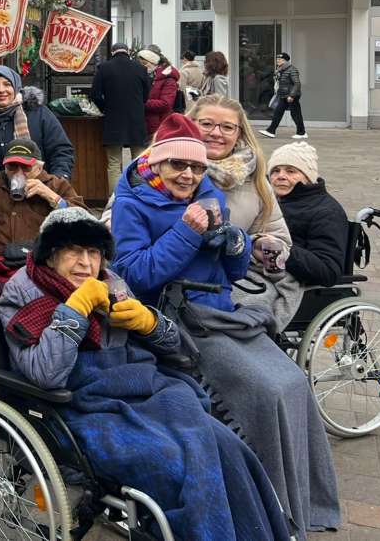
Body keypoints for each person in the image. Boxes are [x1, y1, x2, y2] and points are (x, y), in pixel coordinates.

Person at [0, 209, 292, 541]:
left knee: (232, 450)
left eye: (93, 253)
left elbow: (177, 349)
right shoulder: (21, 293)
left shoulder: (113, 283)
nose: (85, 263)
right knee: (178, 466)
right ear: (51, 257)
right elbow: (45, 374)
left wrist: (149, 323)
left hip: (148, 393)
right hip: (82, 407)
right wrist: (75, 309)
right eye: (74, 251)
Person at [110, 113, 340, 534]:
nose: (189, 174)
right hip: (176, 321)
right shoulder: (131, 201)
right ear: (157, 162)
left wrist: (237, 244)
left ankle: (307, 502)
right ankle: (270, 509)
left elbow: (232, 272)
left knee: (293, 383)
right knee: (267, 392)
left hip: (221, 313)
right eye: (178, 165)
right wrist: (185, 231)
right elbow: (136, 275)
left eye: (197, 167)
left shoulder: (209, 192)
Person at [187, 95, 301, 331]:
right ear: (191, 123)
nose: (216, 133)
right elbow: (114, 223)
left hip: (223, 284)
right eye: (206, 124)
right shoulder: (162, 165)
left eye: (227, 127)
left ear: (238, 133)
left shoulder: (255, 181)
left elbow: (279, 238)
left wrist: (256, 245)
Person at [0, 139, 87, 294]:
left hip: (43, 266)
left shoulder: (57, 186)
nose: (18, 173)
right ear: (4, 166)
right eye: (12, 166)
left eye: (25, 167)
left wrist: (52, 197)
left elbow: (86, 221)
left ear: (39, 167)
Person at [0, 64, 73, 182]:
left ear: (15, 86)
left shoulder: (38, 113)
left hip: (37, 190)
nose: (1, 90)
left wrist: (57, 181)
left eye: (7, 84)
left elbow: (61, 150)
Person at [268, 142, 348, 288]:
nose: (281, 176)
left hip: (296, 285)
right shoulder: (269, 201)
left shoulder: (326, 212)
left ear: (308, 177)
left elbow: (328, 272)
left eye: (291, 171)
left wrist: (279, 247)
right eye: (275, 171)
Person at [90, 43, 150, 193]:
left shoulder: (104, 68)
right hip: (136, 121)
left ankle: (115, 199)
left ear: (112, 52)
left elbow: (95, 95)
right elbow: (147, 95)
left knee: (114, 163)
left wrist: (106, 108)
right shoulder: (140, 68)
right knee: (138, 163)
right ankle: (139, 196)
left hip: (113, 120)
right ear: (128, 52)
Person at [262, 52, 306, 139]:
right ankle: (271, 131)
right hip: (283, 95)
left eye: (280, 59)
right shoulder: (280, 70)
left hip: (291, 96)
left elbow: (297, 84)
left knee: (296, 114)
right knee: (278, 113)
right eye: (277, 59)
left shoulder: (292, 70)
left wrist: (292, 95)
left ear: (286, 61)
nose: (277, 61)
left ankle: (301, 132)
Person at [137, 48, 180, 135]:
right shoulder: (150, 77)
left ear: (154, 63)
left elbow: (166, 104)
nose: (142, 67)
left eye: (145, 63)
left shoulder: (169, 79)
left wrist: (141, 103)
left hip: (158, 125)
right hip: (147, 124)